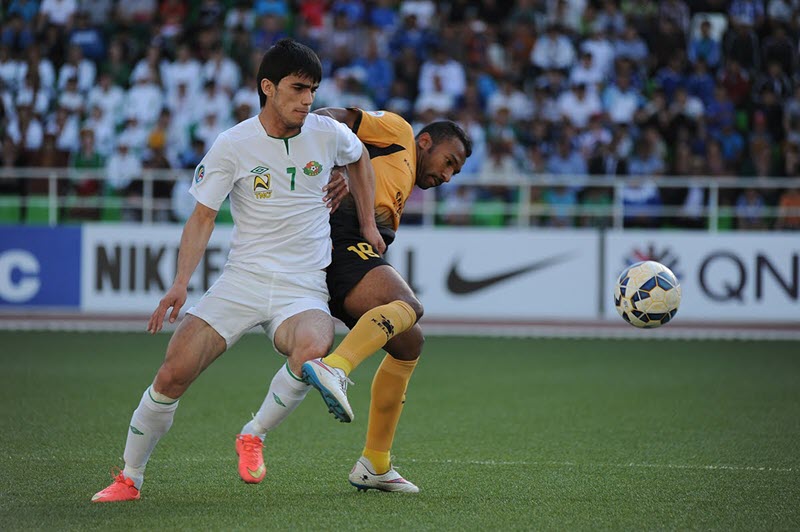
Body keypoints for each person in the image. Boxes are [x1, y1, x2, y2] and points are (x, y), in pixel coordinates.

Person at [91, 39, 384, 503]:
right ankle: (129, 478)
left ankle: (253, 434)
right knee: (172, 374)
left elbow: (361, 156)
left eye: (313, 90)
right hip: (242, 280)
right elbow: (202, 216)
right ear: (268, 87)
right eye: (298, 88)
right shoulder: (233, 143)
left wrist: (368, 221)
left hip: (302, 285)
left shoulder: (327, 132)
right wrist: (180, 283)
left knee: (314, 346)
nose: (308, 100)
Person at [235, 107, 471, 493]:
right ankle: (337, 367)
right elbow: (329, 116)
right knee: (409, 306)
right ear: (425, 142)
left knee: (409, 342)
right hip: (342, 236)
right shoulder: (399, 131)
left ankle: (375, 464)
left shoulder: (404, 174)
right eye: (449, 162)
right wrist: (333, 164)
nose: (447, 176)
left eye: (455, 173)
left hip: (353, 244)